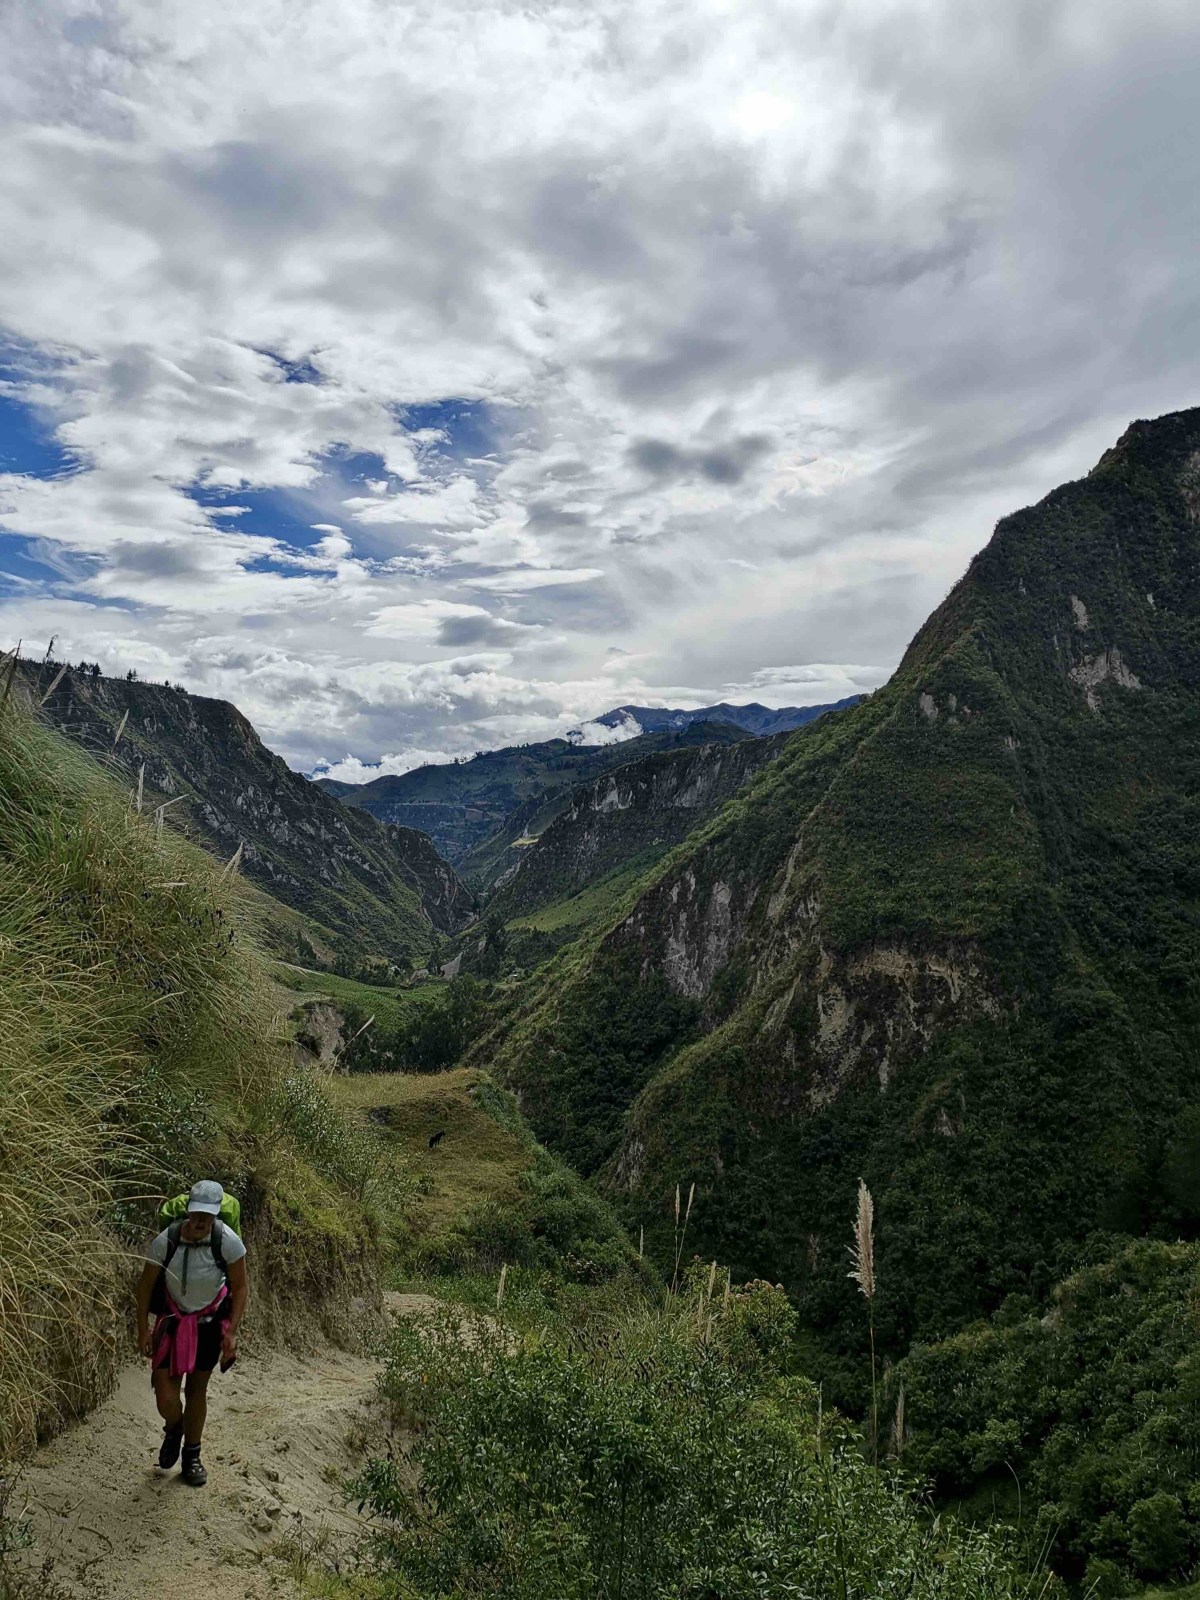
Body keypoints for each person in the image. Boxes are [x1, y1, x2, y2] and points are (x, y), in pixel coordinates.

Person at [134, 1180, 249, 1487]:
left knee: (197, 1390)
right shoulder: (167, 1240)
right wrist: (143, 1329)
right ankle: (175, 1428)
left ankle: (192, 1456)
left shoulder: (227, 1241)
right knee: (164, 1392)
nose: (201, 1220)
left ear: (215, 1215)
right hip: (172, 1322)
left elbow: (240, 1287)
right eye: (197, 1212)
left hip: (210, 1325)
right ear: (188, 1210)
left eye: (208, 1215)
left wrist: (233, 1332)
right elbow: (145, 1287)